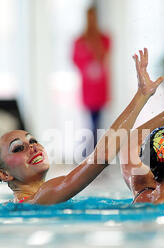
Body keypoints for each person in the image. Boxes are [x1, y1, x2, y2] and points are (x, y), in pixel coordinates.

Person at [0, 48, 164, 205]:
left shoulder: (143, 191)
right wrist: (142, 96)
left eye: (33, 141)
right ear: (2, 173)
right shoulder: (40, 199)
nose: (33, 147)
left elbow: (128, 144)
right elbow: (103, 156)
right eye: (18, 148)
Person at [72, 5, 111, 148]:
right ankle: (92, 151)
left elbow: (104, 55)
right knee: (91, 123)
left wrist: (94, 44)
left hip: (100, 88)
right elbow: (75, 60)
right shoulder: (79, 40)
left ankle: (94, 152)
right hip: (88, 88)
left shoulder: (104, 38)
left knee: (98, 122)